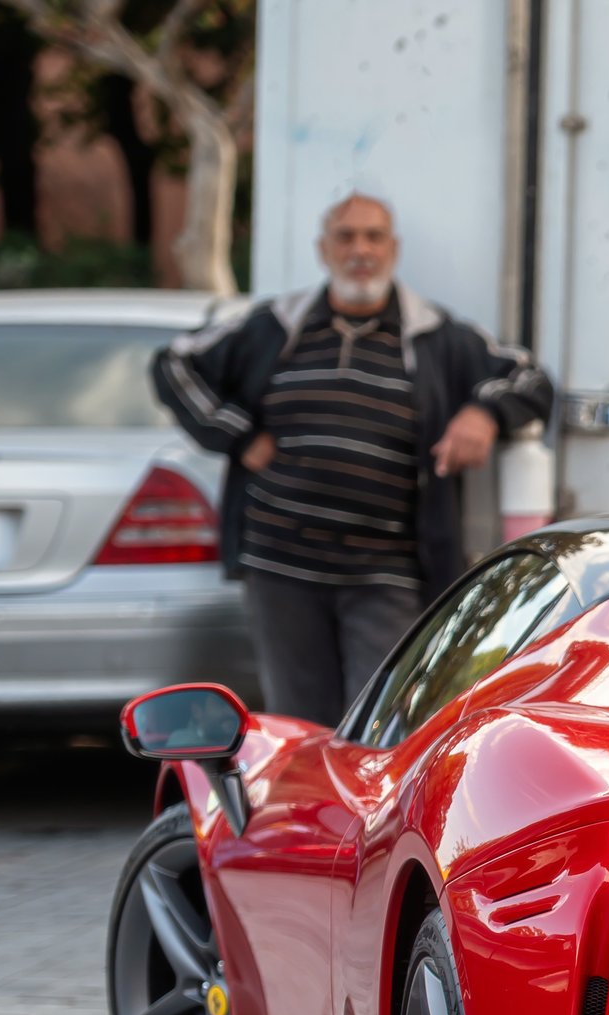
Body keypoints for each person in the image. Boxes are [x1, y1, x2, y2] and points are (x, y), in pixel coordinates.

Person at [153, 192, 555, 725]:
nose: (360, 250)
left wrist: (483, 413)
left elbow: (532, 378)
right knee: (301, 726)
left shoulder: (436, 335)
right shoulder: (276, 324)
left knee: (382, 725)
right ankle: (303, 812)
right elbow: (175, 363)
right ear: (323, 249)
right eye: (346, 236)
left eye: (373, 237)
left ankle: (369, 814)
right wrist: (238, 434)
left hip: (386, 576)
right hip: (281, 567)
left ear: (394, 249)